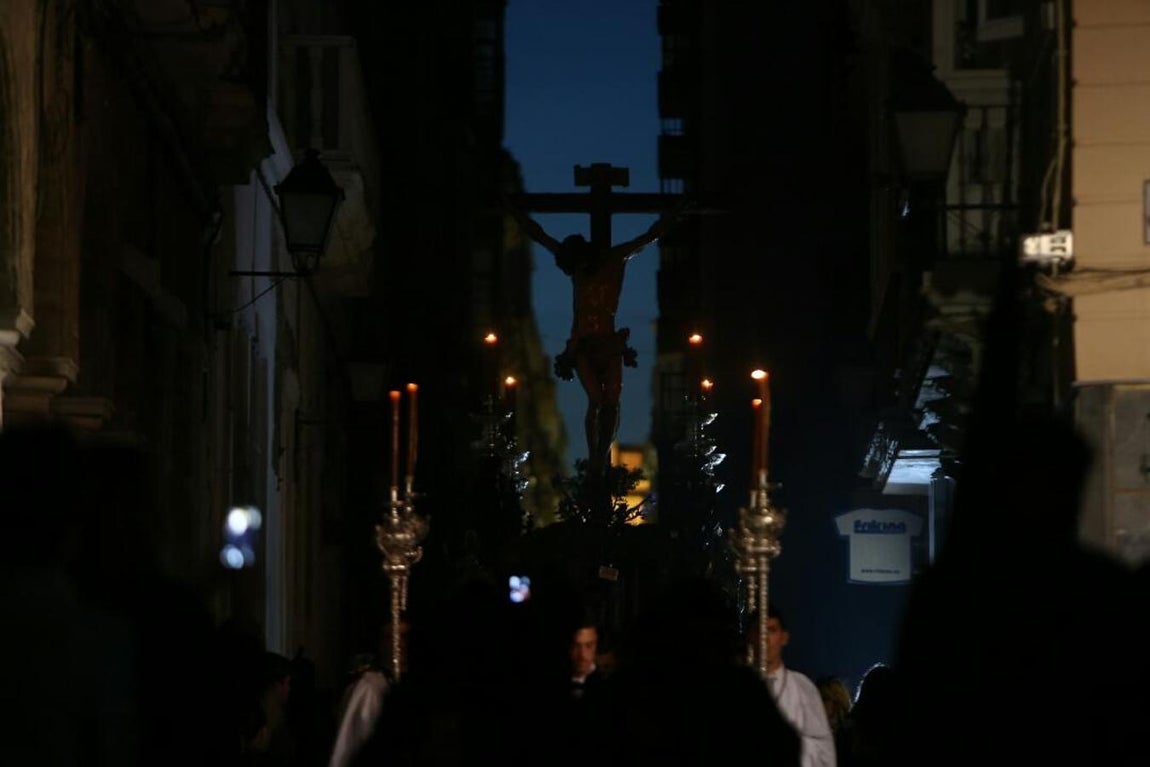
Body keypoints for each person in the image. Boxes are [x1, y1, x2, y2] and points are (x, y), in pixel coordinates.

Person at [507, 200, 687, 479]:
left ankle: (601, 455)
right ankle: (595, 458)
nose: (579, 271)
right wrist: (518, 215)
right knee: (596, 399)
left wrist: (672, 217)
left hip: (607, 342)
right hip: (582, 344)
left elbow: (647, 238)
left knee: (611, 399)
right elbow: (541, 237)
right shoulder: (580, 266)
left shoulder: (615, 259)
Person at [750, 605, 836, 767]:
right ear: (750, 636)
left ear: (784, 637)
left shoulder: (802, 688)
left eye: (771, 630)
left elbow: (824, 753)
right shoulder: (738, 687)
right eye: (759, 631)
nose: (765, 639)